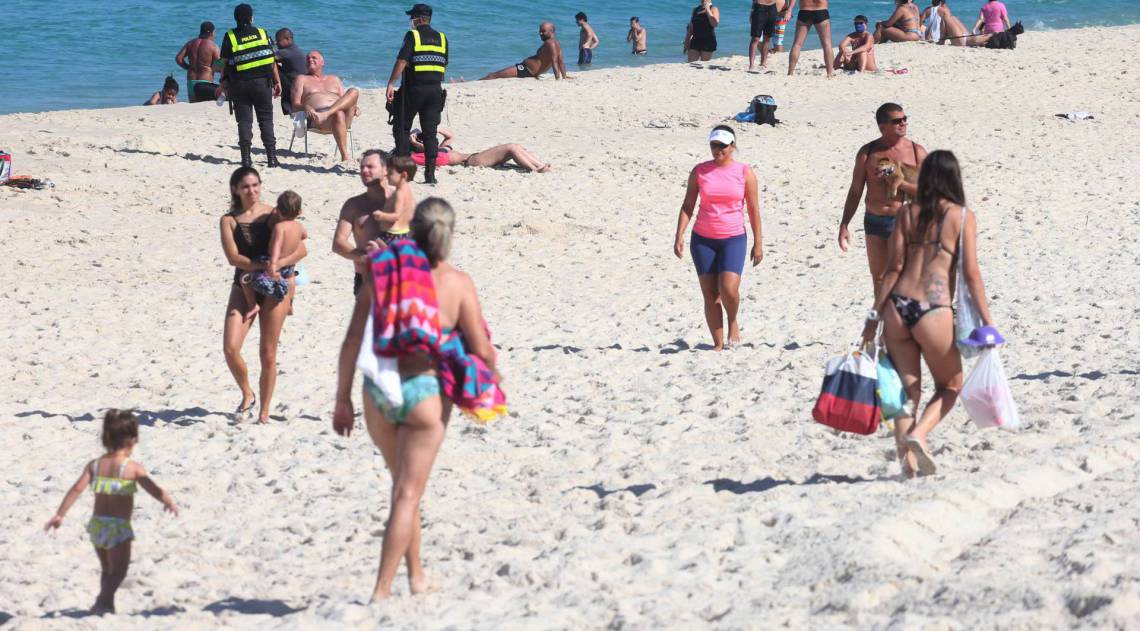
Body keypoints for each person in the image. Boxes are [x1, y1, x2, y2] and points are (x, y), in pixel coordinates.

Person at [332, 197, 504, 601]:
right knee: (408, 494)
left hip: (379, 390)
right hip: (425, 392)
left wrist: (342, 399)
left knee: (402, 491)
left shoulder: (384, 273)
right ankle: (381, 591)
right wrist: (489, 378)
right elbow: (481, 349)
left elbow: (353, 339)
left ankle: (417, 577)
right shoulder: (457, 283)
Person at [860, 151, 996, 478]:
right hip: (932, 309)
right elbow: (972, 274)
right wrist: (988, 323)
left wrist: (873, 317)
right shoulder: (961, 216)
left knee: (908, 391)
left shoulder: (907, 213)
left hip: (898, 307)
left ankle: (907, 464)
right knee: (950, 385)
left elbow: (892, 270)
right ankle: (919, 434)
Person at [43, 410, 179, 614]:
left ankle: (107, 606)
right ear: (134, 440)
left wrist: (60, 514)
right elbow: (152, 489)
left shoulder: (95, 465)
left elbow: (77, 489)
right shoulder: (132, 468)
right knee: (120, 571)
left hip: (97, 525)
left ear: (106, 437)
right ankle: (101, 600)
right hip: (117, 528)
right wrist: (168, 501)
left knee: (107, 569)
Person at [220, 166, 307, 424]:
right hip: (244, 282)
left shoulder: (274, 214)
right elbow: (233, 258)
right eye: (246, 186)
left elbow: (301, 250)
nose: (252, 191)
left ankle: (264, 411)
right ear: (236, 189)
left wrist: (276, 266)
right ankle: (247, 392)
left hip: (274, 287)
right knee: (230, 347)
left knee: (267, 352)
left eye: (256, 185)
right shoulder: (229, 220)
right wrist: (260, 266)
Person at [673, 126, 764, 351]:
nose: (718, 150)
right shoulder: (700, 171)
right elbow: (688, 205)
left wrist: (758, 242)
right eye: (714, 145)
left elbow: (753, 209)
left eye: (722, 145)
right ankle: (718, 343)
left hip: (733, 238)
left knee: (728, 288)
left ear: (732, 146)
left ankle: (733, 322)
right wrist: (679, 234)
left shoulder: (745, 172)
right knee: (710, 293)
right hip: (703, 239)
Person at [839, 103, 928, 298]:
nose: (903, 123)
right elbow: (855, 191)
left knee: (900, 278)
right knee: (879, 279)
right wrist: (845, 223)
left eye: (905, 119)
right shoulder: (868, 153)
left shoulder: (916, 152)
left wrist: (898, 180)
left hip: (902, 222)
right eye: (897, 121)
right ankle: (885, 325)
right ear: (883, 126)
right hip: (873, 221)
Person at [387, 3, 449, 185]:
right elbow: (443, 64)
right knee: (430, 133)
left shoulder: (412, 35)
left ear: (420, 19)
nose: (410, 21)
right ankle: (430, 175)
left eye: (412, 17)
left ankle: (405, 171)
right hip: (435, 91)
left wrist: (391, 83)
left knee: (401, 127)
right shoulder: (443, 38)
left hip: (414, 89)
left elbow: (401, 61)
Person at [219, 4, 282, 168]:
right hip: (262, 83)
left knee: (245, 122)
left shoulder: (230, 36)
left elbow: (223, 63)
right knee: (266, 120)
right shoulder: (262, 33)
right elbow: (272, 60)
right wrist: (277, 82)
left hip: (239, 84)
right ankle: (272, 159)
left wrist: (223, 82)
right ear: (251, 18)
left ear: (236, 19)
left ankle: (246, 159)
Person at [239, 190, 308, 321]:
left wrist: (274, 263)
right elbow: (305, 236)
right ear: (300, 212)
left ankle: (253, 305)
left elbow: (276, 247)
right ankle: (290, 305)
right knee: (291, 278)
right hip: (289, 266)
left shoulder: (279, 227)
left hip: (272, 261)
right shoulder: (299, 226)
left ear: (277, 210)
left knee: (244, 277)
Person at [333, 150, 391, 298]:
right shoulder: (354, 205)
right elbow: (338, 243)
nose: (364, 171)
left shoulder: (401, 202)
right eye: (362, 167)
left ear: (386, 170)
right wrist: (364, 257)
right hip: (365, 279)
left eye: (370, 167)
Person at [291, 50, 361, 162]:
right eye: (308, 58)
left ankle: (327, 113)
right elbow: (294, 105)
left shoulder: (334, 79)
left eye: (314, 57)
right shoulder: (301, 79)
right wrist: (305, 107)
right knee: (338, 113)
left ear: (323, 62)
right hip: (318, 118)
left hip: (341, 117)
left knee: (353, 91)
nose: (310, 60)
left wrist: (355, 107)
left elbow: (345, 99)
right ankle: (345, 157)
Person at [409, 127, 552, 173]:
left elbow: (450, 136)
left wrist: (432, 128)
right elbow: (425, 151)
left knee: (516, 147)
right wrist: (414, 142)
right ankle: (536, 169)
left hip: (474, 156)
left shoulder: (441, 149)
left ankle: (539, 165)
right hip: (472, 161)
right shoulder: (429, 154)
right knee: (511, 148)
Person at [481, 22, 570, 80]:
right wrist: (564, 77)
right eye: (540, 31)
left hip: (525, 70)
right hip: (527, 69)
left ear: (551, 31)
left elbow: (555, 61)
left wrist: (557, 78)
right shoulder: (556, 43)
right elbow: (560, 61)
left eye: (543, 31)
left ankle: (471, 82)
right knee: (495, 75)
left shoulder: (550, 43)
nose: (540, 33)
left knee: (494, 75)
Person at [371, 156, 417, 244]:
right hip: (405, 232)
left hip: (393, 235)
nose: (387, 175)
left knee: (372, 241)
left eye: (390, 173)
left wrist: (381, 215)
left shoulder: (399, 193)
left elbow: (396, 216)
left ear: (403, 175)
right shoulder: (408, 190)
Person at [785, 0, 835, 77]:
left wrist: (789, 10)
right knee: (827, 44)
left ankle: (790, 72)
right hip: (821, 11)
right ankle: (830, 73)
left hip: (804, 12)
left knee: (797, 44)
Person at [175, 21, 220, 103]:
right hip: (205, 83)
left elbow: (178, 58)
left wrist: (188, 67)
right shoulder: (213, 46)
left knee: (193, 106)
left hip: (191, 81)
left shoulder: (190, 43)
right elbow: (220, 65)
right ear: (212, 33)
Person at [275, 28, 306, 114]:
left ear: (288, 39)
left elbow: (268, 59)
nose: (276, 43)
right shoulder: (296, 49)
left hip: (293, 85)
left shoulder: (286, 52)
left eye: (278, 40)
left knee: (271, 66)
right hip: (302, 85)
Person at [749, 0, 784, 71]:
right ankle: (751, 65)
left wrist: (788, 10)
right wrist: (751, 12)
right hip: (759, 7)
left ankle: (763, 63)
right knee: (755, 38)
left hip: (772, 8)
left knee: (767, 39)